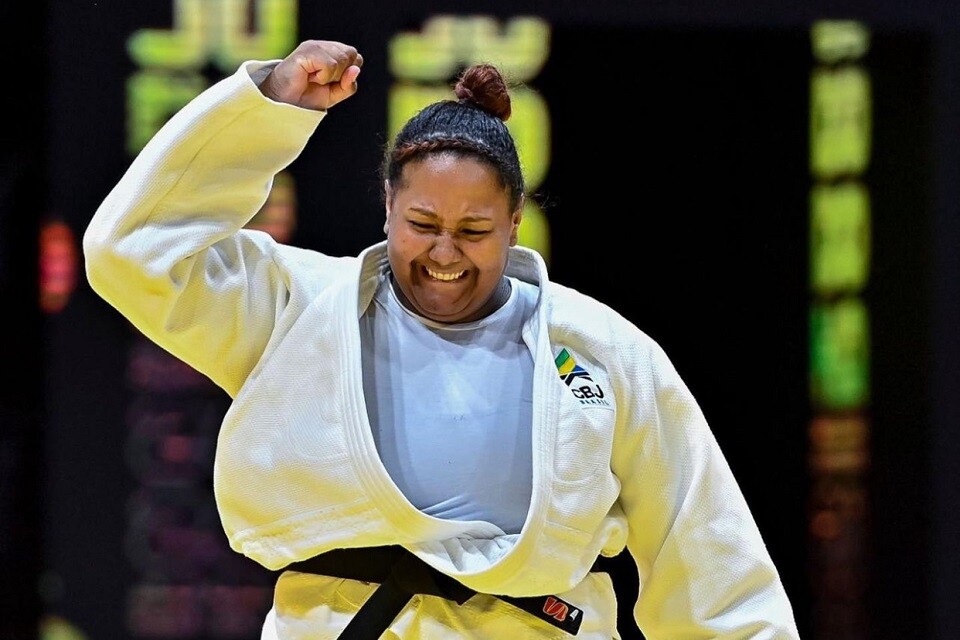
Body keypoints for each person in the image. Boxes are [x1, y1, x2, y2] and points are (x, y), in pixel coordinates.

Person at [83, 38, 801, 640]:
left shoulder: (603, 352)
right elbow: (132, 252)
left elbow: (711, 569)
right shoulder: (298, 311)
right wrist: (264, 110)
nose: (446, 253)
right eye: (423, 225)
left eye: (474, 231)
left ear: (516, 221)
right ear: (388, 205)